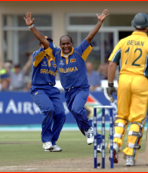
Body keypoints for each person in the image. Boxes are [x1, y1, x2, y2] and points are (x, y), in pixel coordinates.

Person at [24, 9, 109, 152]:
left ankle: (90, 132)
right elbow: (43, 41)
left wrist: (100, 22)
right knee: (77, 116)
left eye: (68, 43)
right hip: (68, 94)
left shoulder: (79, 51)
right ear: (59, 45)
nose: (65, 46)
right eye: (62, 44)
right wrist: (31, 27)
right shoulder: (55, 55)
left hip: (81, 89)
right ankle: (98, 140)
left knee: (77, 110)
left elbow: (90, 36)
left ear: (72, 43)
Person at [104, 13, 148, 166]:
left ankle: (115, 144)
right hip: (141, 81)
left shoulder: (123, 42)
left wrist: (110, 85)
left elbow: (111, 64)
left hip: (123, 80)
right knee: (136, 119)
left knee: (121, 116)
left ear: (133, 25)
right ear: (147, 26)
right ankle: (129, 155)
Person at [29, 36, 66, 152]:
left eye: (49, 43)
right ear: (40, 45)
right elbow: (39, 54)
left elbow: (65, 71)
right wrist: (45, 48)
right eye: (44, 44)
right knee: (49, 109)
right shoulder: (37, 55)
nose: (47, 45)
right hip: (38, 89)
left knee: (61, 114)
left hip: (52, 89)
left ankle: (52, 143)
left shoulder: (54, 58)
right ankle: (46, 141)